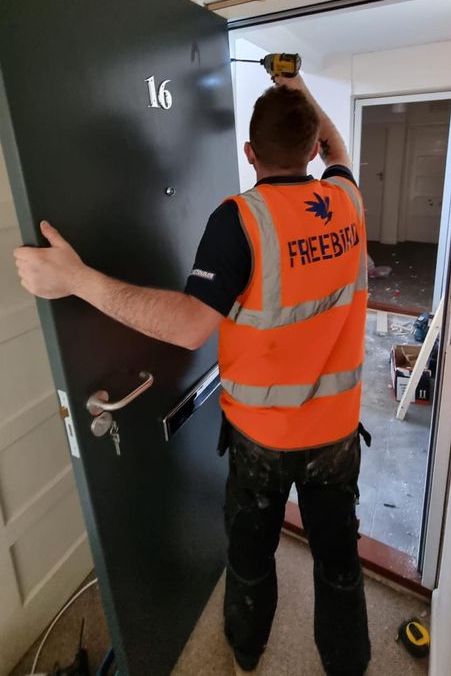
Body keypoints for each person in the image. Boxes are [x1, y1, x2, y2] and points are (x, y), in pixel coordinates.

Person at [14, 72, 370, 676]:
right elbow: (337, 149)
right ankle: (348, 664)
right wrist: (301, 89)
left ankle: (247, 655)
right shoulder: (345, 198)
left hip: (263, 443)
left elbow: (188, 327)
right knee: (339, 563)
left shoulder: (241, 221)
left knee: (251, 558)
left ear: (249, 153)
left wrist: (76, 280)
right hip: (336, 437)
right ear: (313, 151)